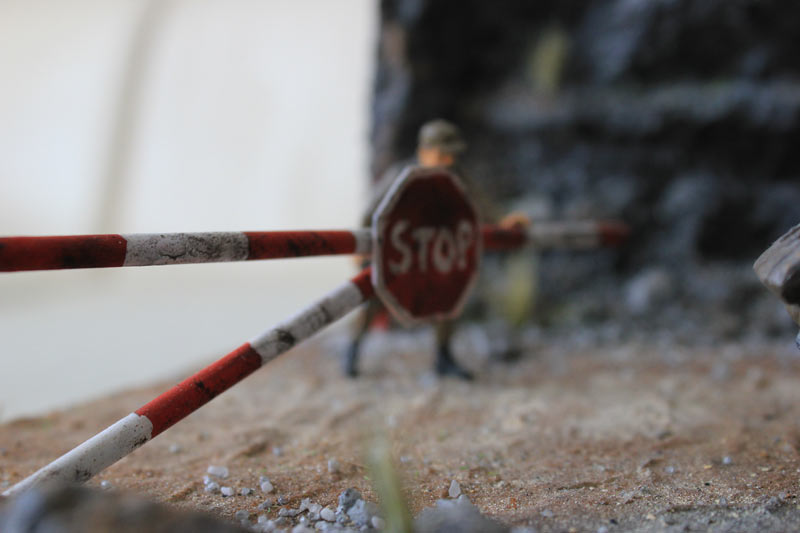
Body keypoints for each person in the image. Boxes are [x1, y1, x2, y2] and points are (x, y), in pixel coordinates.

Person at [345, 119, 529, 379]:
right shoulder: (402, 175)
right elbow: (371, 212)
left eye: (452, 154)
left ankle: (443, 357)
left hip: (434, 251)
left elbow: (478, 200)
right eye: (442, 154)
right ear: (425, 151)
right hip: (398, 252)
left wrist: (501, 220)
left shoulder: (454, 175)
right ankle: (352, 350)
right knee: (373, 301)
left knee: (448, 298)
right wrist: (361, 248)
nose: (448, 160)